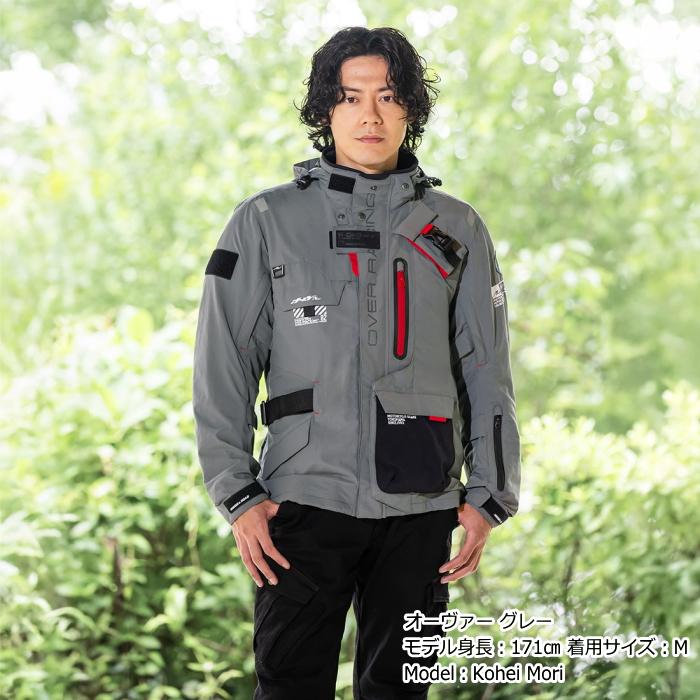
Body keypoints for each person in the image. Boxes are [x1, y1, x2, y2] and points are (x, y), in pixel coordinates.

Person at [192, 26, 521, 700]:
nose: (370, 114)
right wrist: (237, 494)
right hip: (299, 503)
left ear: (411, 109)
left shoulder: (457, 228)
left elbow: (487, 368)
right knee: (288, 688)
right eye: (350, 97)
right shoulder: (264, 222)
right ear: (325, 110)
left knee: (401, 690)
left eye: (389, 96)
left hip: (422, 500)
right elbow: (223, 363)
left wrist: (489, 495)